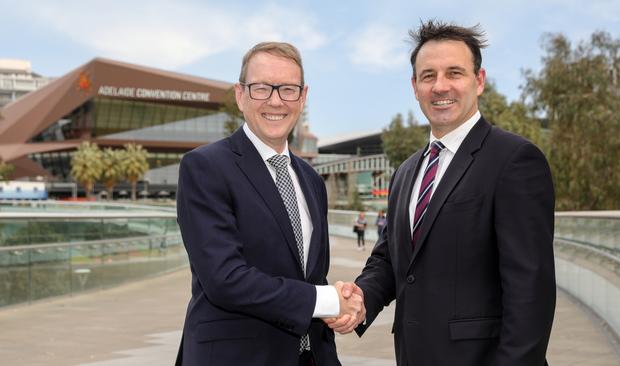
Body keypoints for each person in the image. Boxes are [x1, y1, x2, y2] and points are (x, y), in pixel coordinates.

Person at [328, 20, 556, 366]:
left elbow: (531, 292)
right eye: (428, 75)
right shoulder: (406, 172)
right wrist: (361, 299)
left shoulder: (514, 160)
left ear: (479, 81)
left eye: (454, 73)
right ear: (415, 86)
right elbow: (391, 259)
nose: (440, 86)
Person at [175, 41, 364, 366]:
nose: (276, 101)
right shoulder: (204, 167)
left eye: (288, 89)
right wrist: (327, 300)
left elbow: (310, 277)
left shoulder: (312, 181)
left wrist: (342, 307)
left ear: (303, 98)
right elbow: (225, 279)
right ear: (240, 95)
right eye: (262, 88)